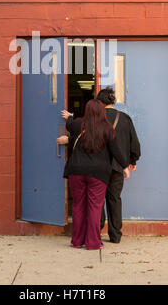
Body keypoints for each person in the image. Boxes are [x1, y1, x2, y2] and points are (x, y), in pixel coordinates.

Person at [62, 99, 129, 250]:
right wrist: (125, 166)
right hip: (98, 173)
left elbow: (69, 124)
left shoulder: (79, 124)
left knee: (78, 205)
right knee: (95, 207)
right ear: (102, 111)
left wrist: (70, 116)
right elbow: (116, 150)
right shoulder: (108, 129)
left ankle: (77, 241)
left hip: (77, 171)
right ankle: (93, 242)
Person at [96, 87, 141, 243]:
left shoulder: (96, 119)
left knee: (98, 199)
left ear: (99, 102)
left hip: (98, 166)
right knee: (114, 199)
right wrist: (131, 161)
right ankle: (115, 235)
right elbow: (134, 142)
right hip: (118, 166)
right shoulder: (125, 118)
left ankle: (97, 231)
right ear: (113, 101)